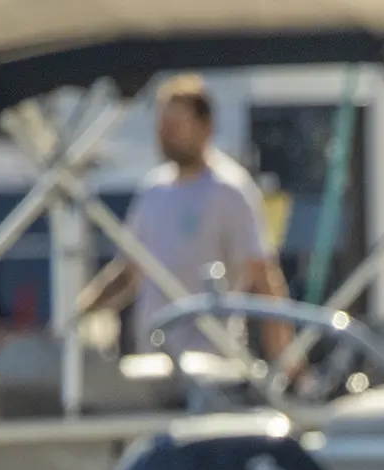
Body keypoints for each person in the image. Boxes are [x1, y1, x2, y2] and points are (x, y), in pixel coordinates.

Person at [84, 75, 284, 352]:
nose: (165, 135)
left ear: (205, 127)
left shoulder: (230, 190)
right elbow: (129, 272)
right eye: (162, 126)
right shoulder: (154, 190)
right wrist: (80, 314)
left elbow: (263, 278)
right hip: (153, 359)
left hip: (212, 365)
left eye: (175, 125)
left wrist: (288, 364)